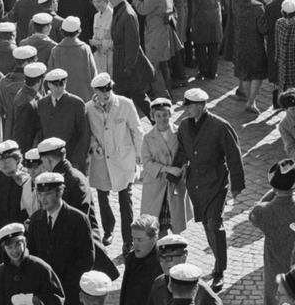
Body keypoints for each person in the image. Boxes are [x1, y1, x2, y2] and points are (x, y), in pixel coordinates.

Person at [172, 87, 245, 291]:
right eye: (185, 105)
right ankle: (217, 259)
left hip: (216, 182)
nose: (186, 109)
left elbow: (234, 155)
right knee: (206, 224)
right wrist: (172, 173)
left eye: (190, 106)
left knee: (214, 222)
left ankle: (219, 270)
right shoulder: (184, 126)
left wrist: (237, 185)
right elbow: (182, 153)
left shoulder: (220, 126)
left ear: (201, 106)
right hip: (195, 184)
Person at [85, 72, 146, 251]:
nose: (106, 93)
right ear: (96, 90)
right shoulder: (88, 108)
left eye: (109, 88)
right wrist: (94, 145)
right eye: (102, 90)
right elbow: (87, 133)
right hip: (101, 160)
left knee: (125, 199)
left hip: (123, 159)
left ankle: (128, 240)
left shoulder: (125, 104)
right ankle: (108, 230)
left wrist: (139, 155)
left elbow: (137, 130)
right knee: (102, 197)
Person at [248, 159, 295, 305]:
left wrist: (272, 191)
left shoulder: (263, 212)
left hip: (274, 276)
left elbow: (253, 211)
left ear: (274, 185)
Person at [26, 171, 98, 305]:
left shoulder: (78, 219)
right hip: (45, 290)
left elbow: (87, 258)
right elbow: (32, 253)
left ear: (60, 193)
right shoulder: (36, 219)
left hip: (69, 291)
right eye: (40, 194)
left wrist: (69, 282)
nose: (43, 199)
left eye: (48, 194)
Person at [139, 96, 186, 236]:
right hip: (155, 185)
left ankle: (176, 249)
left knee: (175, 221)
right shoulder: (148, 137)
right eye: (158, 115)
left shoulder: (179, 133)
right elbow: (146, 162)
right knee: (157, 223)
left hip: (174, 184)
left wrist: (184, 167)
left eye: (165, 114)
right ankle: (160, 251)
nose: (162, 119)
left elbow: (186, 153)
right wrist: (167, 169)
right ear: (153, 117)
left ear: (170, 114)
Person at [0, 221, 64, 305]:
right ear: (4, 248)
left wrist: (34, 300)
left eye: (18, 244)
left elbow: (58, 299)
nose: (14, 250)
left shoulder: (41, 268)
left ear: (24, 242)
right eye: (9, 247)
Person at [118, 214, 163, 305]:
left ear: (154, 239)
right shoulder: (131, 258)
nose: (135, 244)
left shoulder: (161, 266)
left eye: (140, 240)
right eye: (133, 239)